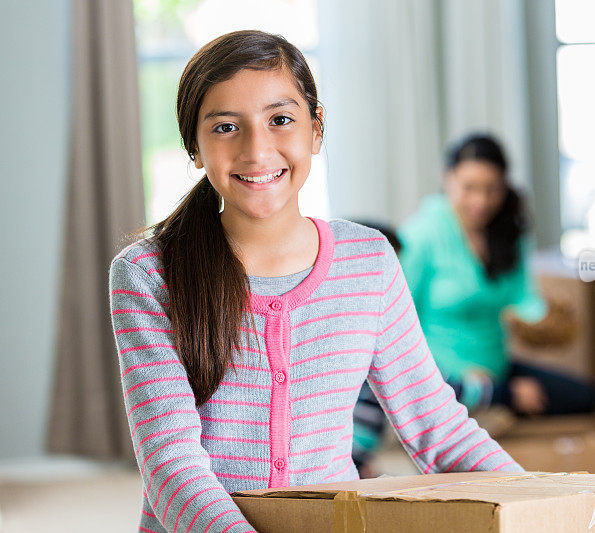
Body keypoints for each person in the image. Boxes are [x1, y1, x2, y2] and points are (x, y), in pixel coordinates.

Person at [109, 31, 524, 533]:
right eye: (225, 127)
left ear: (316, 130)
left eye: (280, 120)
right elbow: (172, 469)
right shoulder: (147, 275)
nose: (257, 150)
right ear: (194, 147)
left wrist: (540, 507)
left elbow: (439, 428)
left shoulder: (368, 260)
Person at [352, 134, 595, 474]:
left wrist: (538, 320)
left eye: (491, 188)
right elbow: (400, 327)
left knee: (583, 396)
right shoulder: (423, 235)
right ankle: (493, 401)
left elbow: (523, 298)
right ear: (448, 179)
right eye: (470, 188)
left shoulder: (509, 228)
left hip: (496, 367)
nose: (481, 201)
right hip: (443, 374)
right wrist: (489, 388)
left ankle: (495, 401)